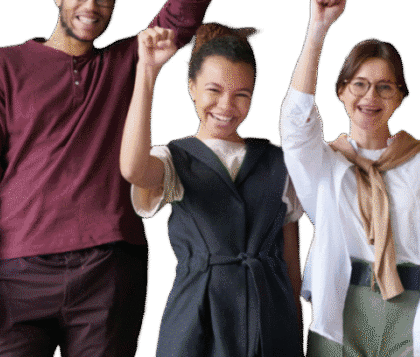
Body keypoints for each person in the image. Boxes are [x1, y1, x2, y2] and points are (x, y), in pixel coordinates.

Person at [0, 0, 213, 356]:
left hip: (107, 269)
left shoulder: (128, 61)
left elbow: (190, 1)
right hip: (13, 271)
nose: (91, 7)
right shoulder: (1, 66)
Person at [280, 0, 420, 357]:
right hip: (341, 310)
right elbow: (295, 120)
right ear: (342, 92)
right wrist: (317, 29)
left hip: (411, 314)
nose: (370, 98)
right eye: (359, 85)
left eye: (384, 88)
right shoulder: (324, 163)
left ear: (399, 97)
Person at [120, 22, 304, 356]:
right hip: (196, 322)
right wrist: (146, 72)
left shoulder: (279, 162)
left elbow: (290, 264)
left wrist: (295, 336)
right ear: (191, 87)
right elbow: (133, 168)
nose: (226, 106)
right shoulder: (174, 160)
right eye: (214, 91)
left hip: (270, 323)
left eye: (241, 95)